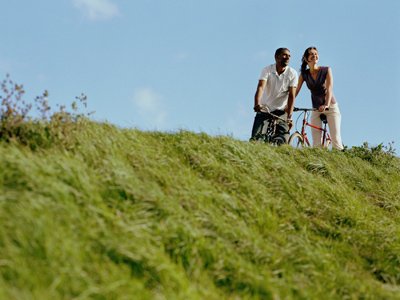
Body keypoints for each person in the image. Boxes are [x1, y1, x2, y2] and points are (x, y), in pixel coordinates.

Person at [296, 47, 344, 150]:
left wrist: (326, 104)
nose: (314, 56)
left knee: (336, 141)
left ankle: (341, 163)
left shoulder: (326, 70)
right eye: (311, 54)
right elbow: (295, 91)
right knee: (316, 143)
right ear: (306, 58)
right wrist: (288, 104)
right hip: (316, 108)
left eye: (316, 54)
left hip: (330, 107)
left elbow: (329, 88)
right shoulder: (304, 74)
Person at [250, 48, 298, 143]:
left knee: (283, 139)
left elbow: (292, 96)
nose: (287, 57)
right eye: (284, 55)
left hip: (281, 111)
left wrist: (289, 117)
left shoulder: (292, 73)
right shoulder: (267, 70)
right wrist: (256, 104)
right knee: (255, 139)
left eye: (289, 56)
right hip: (265, 109)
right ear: (276, 57)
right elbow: (260, 87)